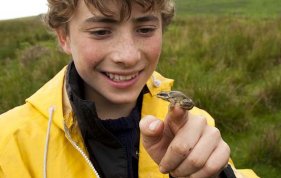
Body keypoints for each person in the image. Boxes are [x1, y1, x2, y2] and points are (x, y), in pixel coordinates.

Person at [0, 0, 259, 177]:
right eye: (101, 31)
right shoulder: (8, 142)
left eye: (145, 29)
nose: (128, 56)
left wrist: (218, 175)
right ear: (64, 36)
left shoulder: (194, 123)